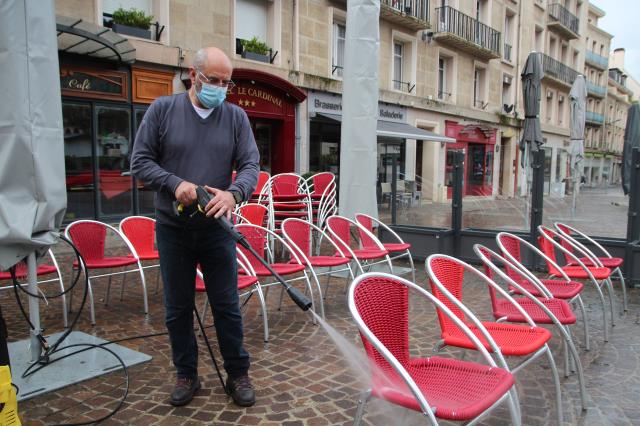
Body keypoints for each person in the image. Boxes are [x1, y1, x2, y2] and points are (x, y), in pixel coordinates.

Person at [131, 47, 259, 408]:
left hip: (217, 227)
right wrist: (174, 183)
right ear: (193, 74)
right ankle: (186, 373)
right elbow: (140, 161)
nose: (219, 88)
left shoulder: (235, 117)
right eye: (213, 80)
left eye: (225, 82)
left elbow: (250, 164)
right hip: (173, 228)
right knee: (177, 307)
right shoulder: (163, 110)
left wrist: (234, 194)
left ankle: (238, 373)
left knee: (227, 304)